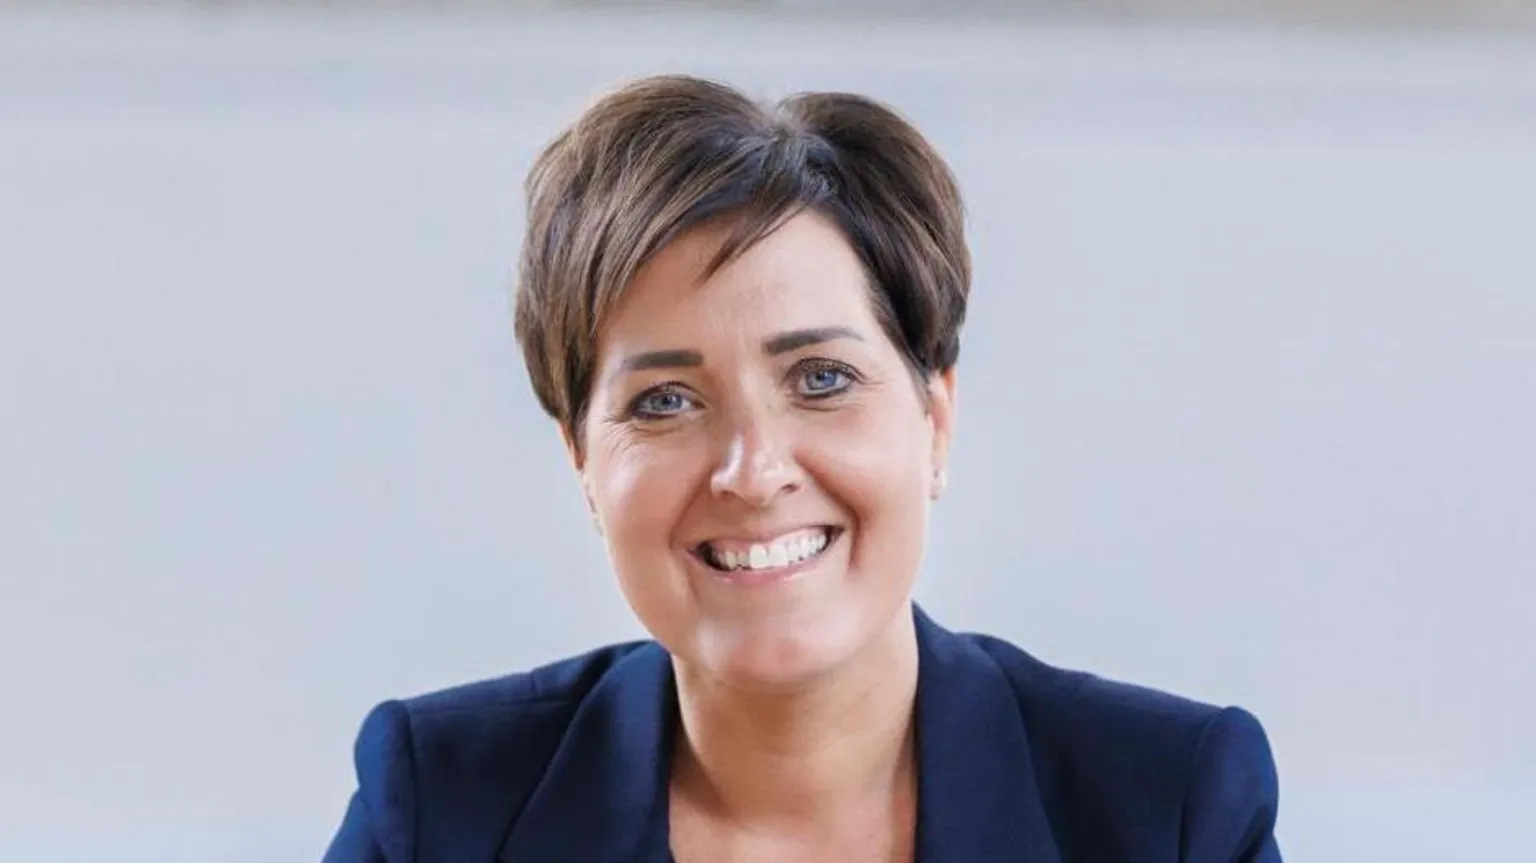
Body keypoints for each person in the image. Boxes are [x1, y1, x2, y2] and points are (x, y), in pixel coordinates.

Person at [322, 74, 1281, 862]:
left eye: (821, 378)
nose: (753, 469)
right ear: (580, 457)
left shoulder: (1170, 808)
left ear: (934, 418)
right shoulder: (440, 807)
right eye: (664, 401)